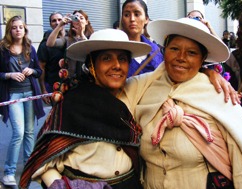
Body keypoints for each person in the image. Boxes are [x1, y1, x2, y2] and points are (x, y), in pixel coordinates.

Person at [120, 18, 242, 188]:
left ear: (203, 58)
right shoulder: (144, 89)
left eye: (192, 53)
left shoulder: (219, 95)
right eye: (174, 49)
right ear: (163, 51)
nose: (181, 57)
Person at [19, 29, 152, 189]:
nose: (116, 65)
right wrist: (59, 185)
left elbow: (165, 73)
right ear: (91, 64)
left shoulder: (134, 91)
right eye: (106, 58)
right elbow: (45, 160)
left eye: (122, 59)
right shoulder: (71, 101)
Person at [0, 15, 45, 187]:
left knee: (29, 132)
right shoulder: (3, 49)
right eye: (14, 27)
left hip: (30, 94)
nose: (18, 30)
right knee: (18, 133)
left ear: (25, 30)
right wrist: (9, 75)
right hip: (13, 96)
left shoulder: (29, 48)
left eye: (20, 27)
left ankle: (29, 166)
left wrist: (31, 71)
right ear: (9, 30)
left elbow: (38, 71)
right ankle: (9, 173)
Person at [120, 0, 164, 77]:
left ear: (146, 19)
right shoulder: (116, 48)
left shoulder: (155, 50)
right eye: (127, 15)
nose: (132, 19)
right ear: (122, 20)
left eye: (137, 14)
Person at [46, 10, 94, 79]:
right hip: (71, 79)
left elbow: (90, 50)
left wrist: (82, 35)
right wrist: (60, 25)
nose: (79, 20)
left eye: (81, 18)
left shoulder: (92, 37)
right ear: (72, 22)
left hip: (88, 78)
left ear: (86, 22)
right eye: (76, 18)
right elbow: (49, 43)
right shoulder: (68, 39)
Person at [38, 12, 66, 105]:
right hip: (54, 86)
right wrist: (43, 90)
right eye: (54, 21)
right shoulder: (45, 45)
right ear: (50, 25)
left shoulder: (71, 39)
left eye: (59, 20)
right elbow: (41, 67)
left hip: (71, 84)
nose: (57, 23)